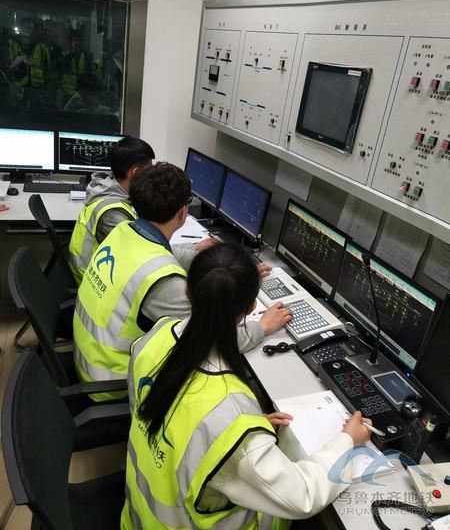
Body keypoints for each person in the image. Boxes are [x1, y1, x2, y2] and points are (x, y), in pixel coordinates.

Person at [121, 243, 372, 529]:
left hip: (138, 514)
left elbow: (176, 414)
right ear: (252, 307)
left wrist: (247, 430)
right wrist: (348, 441)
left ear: (187, 291)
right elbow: (302, 496)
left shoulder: (154, 338)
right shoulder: (228, 412)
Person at [73, 163, 291, 400]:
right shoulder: (164, 283)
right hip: (116, 383)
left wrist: (235, 271)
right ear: (183, 212)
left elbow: (162, 252)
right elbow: (207, 341)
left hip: (88, 359)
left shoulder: (123, 230)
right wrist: (262, 327)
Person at [69, 135, 155, 285]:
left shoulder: (104, 187)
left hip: (87, 268)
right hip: (90, 281)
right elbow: (142, 254)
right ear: (135, 172)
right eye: (149, 170)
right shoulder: (112, 214)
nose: (151, 176)